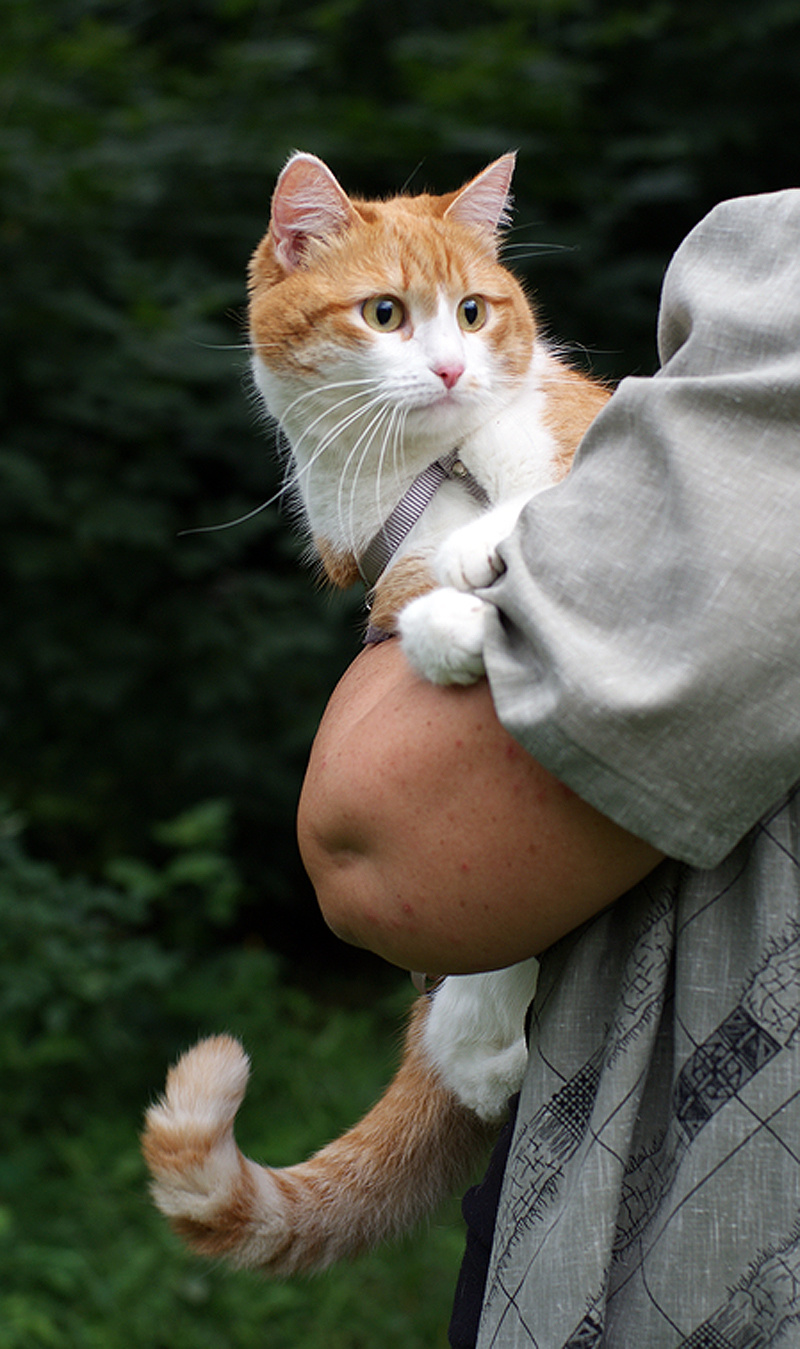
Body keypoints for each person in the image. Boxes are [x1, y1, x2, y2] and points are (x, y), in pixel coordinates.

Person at [297, 190, 800, 1347]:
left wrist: (435, 571)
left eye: (474, 311)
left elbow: (380, 853)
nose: (443, 355)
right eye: (390, 314)